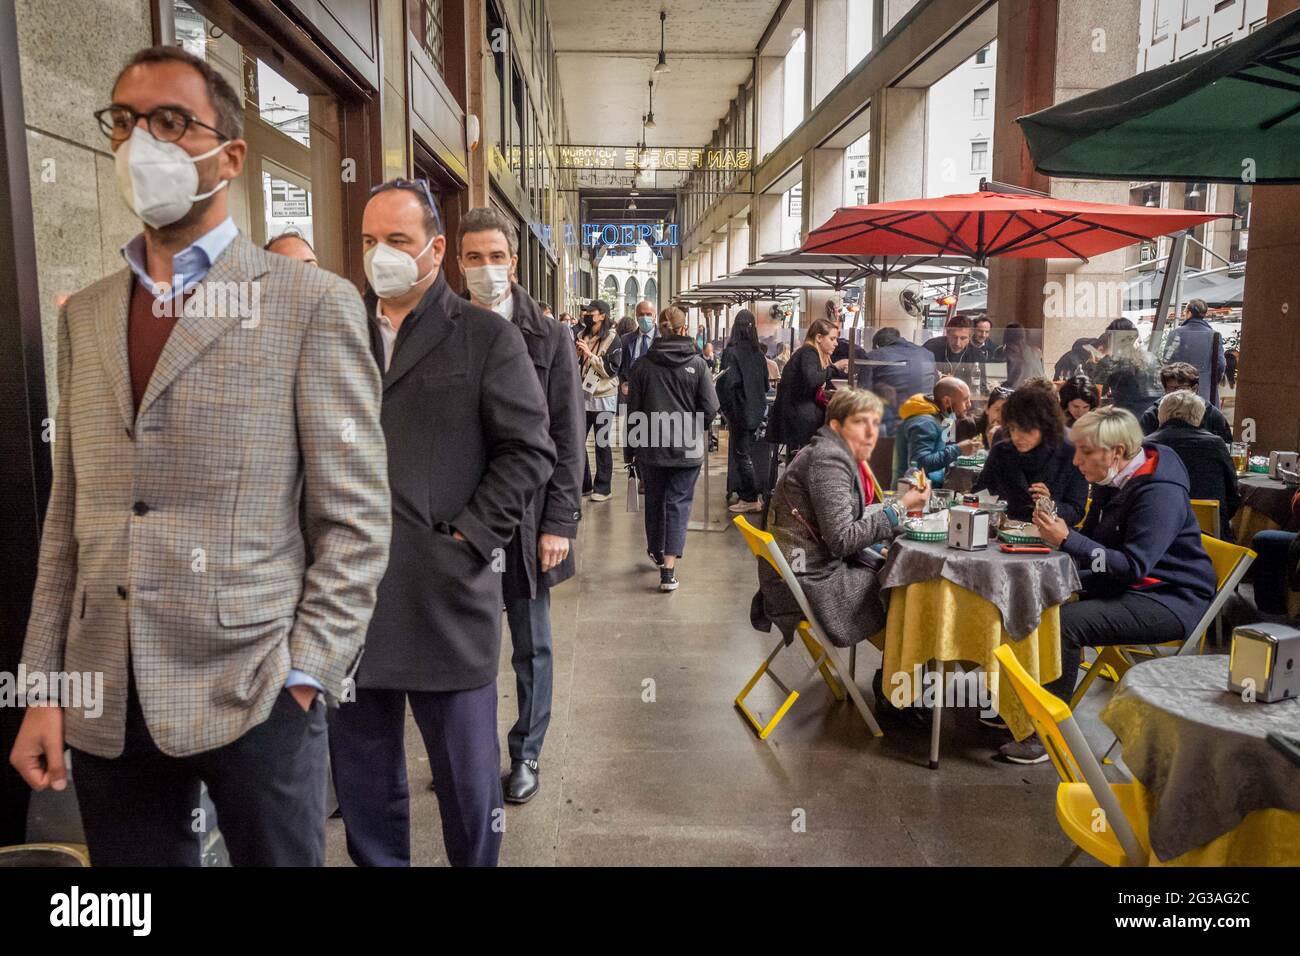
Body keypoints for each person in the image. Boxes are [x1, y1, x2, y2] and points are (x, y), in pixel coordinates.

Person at [9, 45, 392, 866]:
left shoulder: (308, 304)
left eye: (171, 121)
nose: (141, 141)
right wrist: (45, 686)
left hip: (255, 691)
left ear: (231, 154)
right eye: (125, 121)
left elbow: (355, 518)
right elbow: (67, 519)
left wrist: (307, 673)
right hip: (110, 694)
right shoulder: (88, 314)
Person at [328, 179, 555, 867]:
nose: (380, 255)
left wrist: (467, 539)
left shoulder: (484, 337)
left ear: (433, 249)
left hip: (445, 596)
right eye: (368, 241)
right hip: (347, 599)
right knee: (364, 783)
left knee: (467, 783)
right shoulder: (337, 330)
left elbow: (529, 451)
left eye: (396, 241)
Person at [456, 207, 584, 805]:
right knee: (463, 642)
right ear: (458, 263)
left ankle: (526, 752)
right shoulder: (441, 328)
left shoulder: (549, 336)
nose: (486, 268)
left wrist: (560, 520)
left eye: (496, 256)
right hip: (458, 520)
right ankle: (470, 755)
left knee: (531, 643)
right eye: (474, 257)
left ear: (514, 260)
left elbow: (567, 434)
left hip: (528, 519)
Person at [1002, 407, 1216, 764]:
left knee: (1066, 624)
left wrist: (1068, 540)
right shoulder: (1116, 478)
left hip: (1169, 598)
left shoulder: (1159, 492)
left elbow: (1132, 566)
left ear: (1116, 452)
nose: (1076, 460)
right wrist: (1057, 536)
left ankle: (1047, 734)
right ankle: (1021, 707)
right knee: (1035, 593)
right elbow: (1095, 541)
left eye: (1086, 451)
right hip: (1126, 584)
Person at [759, 388, 928, 649]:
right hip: (811, 583)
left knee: (891, 569)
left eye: (875, 423)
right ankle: (893, 678)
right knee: (902, 585)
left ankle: (895, 673)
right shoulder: (829, 460)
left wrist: (890, 513)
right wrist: (899, 509)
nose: (871, 433)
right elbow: (842, 540)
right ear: (836, 426)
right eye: (861, 423)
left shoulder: (823, 451)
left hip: (797, 570)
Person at [626, 306, 719, 591]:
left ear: (659, 328)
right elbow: (711, 408)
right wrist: (692, 426)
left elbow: (633, 411)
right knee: (678, 504)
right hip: (686, 448)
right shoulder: (698, 364)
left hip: (651, 446)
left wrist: (630, 452)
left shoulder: (641, 365)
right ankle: (668, 569)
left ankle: (656, 550)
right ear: (682, 329)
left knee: (655, 499)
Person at [974, 382, 1087, 526]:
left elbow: (1077, 511)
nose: (1017, 437)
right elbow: (979, 493)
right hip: (1004, 533)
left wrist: (1049, 505)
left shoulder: (1071, 451)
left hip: (1049, 538)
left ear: (1046, 427)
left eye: (1026, 430)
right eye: (1013, 428)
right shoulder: (1002, 450)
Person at [1148, 390, 1239, 538]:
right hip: (1208, 534)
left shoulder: (1145, 445)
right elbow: (1233, 496)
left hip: (1155, 531)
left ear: (1160, 414)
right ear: (1199, 416)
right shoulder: (1215, 444)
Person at [768, 318, 845, 456]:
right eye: (832, 339)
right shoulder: (809, 352)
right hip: (797, 418)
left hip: (791, 416)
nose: (836, 343)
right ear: (819, 337)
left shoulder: (807, 352)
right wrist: (835, 368)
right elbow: (812, 379)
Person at [718, 309, 770, 514]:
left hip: (739, 410)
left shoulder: (731, 352)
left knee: (741, 454)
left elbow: (725, 383)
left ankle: (750, 497)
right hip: (757, 410)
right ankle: (747, 493)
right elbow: (766, 384)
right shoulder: (758, 353)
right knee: (746, 453)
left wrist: (725, 408)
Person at [892, 376, 981, 484]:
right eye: (965, 399)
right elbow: (919, 464)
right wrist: (958, 450)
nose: (969, 404)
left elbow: (942, 454)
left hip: (931, 491)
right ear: (947, 401)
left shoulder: (945, 418)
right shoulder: (925, 423)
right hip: (911, 493)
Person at [577, 299, 623, 501]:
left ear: (602, 315)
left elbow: (611, 370)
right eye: (586, 312)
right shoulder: (581, 335)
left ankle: (603, 487)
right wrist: (579, 355)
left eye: (591, 312)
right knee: (577, 440)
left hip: (604, 396)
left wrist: (590, 355)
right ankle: (584, 483)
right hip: (583, 395)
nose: (587, 315)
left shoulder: (613, 339)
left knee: (601, 443)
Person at [858, 326, 938, 436]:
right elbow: (936, 387)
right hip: (927, 422)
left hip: (890, 426)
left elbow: (862, 395)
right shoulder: (928, 354)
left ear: (877, 346)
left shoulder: (874, 356)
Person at [1138, 361, 1232, 443]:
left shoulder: (1212, 415)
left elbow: (1227, 447)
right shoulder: (1152, 415)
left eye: (1181, 389)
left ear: (1195, 389)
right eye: (1171, 389)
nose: (1176, 395)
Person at [1162, 298, 1226, 406]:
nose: (1183, 313)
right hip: (1206, 392)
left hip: (1179, 391)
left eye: (1184, 311)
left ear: (1189, 313)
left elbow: (1166, 360)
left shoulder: (1175, 333)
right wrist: (1211, 381)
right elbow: (1221, 364)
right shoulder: (1215, 335)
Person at [1093, 318, 1162, 418]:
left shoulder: (1110, 362)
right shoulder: (1151, 357)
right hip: (1156, 416)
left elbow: (1096, 394)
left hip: (1129, 420)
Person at [618, 300, 658, 466]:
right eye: (641, 314)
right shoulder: (627, 340)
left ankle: (648, 472)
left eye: (648, 314)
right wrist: (623, 382)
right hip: (633, 396)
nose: (645, 318)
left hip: (655, 395)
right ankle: (636, 467)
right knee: (634, 433)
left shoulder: (661, 340)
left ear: (654, 316)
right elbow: (621, 367)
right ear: (636, 316)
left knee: (652, 435)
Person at [922, 315, 978, 388]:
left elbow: (979, 385)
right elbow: (920, 375)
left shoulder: (976, 354)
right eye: (954, 337)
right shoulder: (931, 347)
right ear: (947, 334)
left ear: (970, 338)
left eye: (963, 338)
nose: (957, 343)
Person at [996, 323, 1045, 388]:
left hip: (1017, 393)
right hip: (1040, 391)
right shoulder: (1036, 351)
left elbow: (998, 379)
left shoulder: (1004, 353)